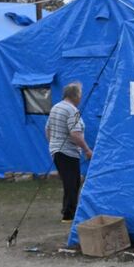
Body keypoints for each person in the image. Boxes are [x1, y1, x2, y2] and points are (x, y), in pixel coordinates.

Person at [46, 81, 91, 223]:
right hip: (68, 152)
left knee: (69, 182)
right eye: (80, 95)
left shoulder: (55, 107)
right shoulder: (72, 110)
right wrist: (87, 150)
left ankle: (68, 211)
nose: (81, 98)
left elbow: (47, 129)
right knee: (73, 183)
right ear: (75, 96)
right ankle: (68, 215)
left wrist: (53, 143)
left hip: (56, 150)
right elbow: (75, 133)